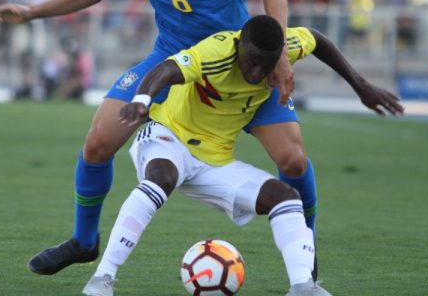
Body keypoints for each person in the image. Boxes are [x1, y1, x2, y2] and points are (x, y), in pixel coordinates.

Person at [0, 0, 307, 277]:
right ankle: (84, 242)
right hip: (170, 59)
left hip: (235, 64)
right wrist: (31, 12)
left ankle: (306, 259)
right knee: (98, 143)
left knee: (292, 159)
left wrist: (277, 52)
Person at [82, 16, 402, 296]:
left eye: (267, 64)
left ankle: (303, 285)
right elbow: (166, 69)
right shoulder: (214, 52)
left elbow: (317, 39)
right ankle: (102, 278)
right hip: (168, 139)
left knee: (286, 197)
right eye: (252, 62)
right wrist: (141, 100)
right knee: (161, 178)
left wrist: (361, 86)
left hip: (215, 161)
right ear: (238, 48)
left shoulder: (283, 49)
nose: (258, 72)